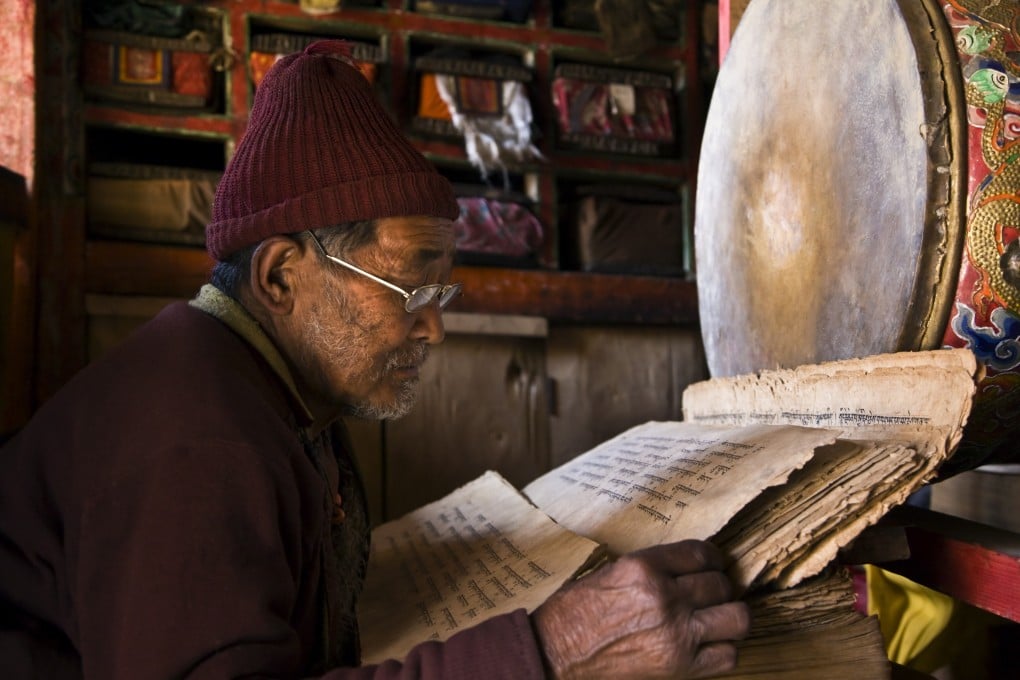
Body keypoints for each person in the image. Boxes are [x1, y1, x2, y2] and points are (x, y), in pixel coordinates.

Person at [0, 40, 749, 678]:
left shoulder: (281, 391)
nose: (433, 329)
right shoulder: (194, 438)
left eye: (439, 293)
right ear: (282, 276)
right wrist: (554, 652)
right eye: (407, 287)